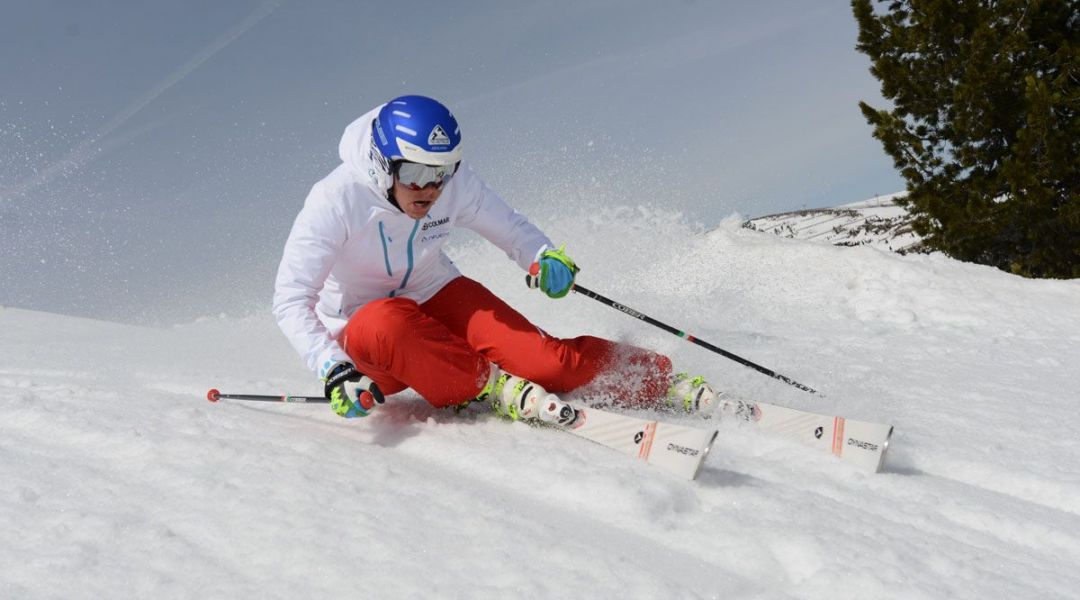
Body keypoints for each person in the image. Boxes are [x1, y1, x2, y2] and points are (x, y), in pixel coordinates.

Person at [272, 94, 720, 424]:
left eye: (441, 173)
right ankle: (488, 384)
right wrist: (333, 369)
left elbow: (509, 227)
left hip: (434, 289)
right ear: (379, 163)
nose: (429, 189)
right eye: (414, 173)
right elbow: (291, 299)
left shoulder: (453, 185)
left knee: (548, 362)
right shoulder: (335, 200)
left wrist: (543, 258)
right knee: (387, 321)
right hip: (369, 337)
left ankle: (661, 380)